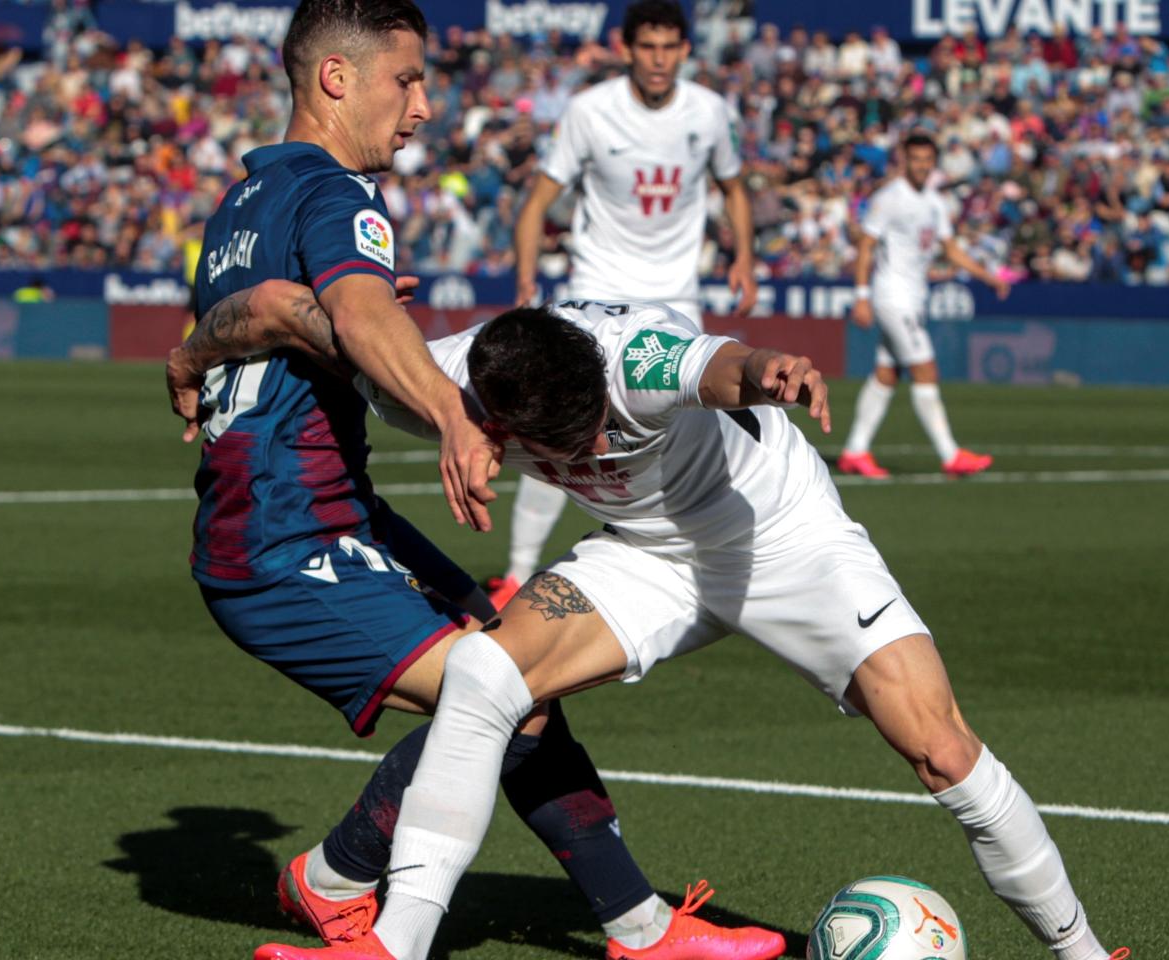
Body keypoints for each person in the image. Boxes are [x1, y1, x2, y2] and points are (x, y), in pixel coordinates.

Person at [164, 2, 778, 957]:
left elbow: (272, 308)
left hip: (324, 517)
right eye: (405, 81)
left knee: (516, 674)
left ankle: (636, 924)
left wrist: (193, 349)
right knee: (502, 694)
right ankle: (338, 878)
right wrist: (454, 414)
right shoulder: (340, 196)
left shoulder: (243, 201)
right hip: (286, 541)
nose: (422, 107)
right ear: (337, 78)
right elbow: (355, 316)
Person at [236, 299, 1123, 960]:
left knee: (941, 748)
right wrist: (212, 348)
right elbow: (329, 330)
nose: (587, 447)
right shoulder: (450, 378)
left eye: (592, 429)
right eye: (564, 445)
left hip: (783, 538)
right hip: (648, 559)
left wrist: (774, 367)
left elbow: (727, 363)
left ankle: (1083, 955)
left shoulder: (637, 361)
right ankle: (396, 947)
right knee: (483, 674)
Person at [497, 0, 757, 605]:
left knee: (694, 430)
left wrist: (744, 256)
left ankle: (688, 559)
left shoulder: (711, 112)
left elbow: (735, 188)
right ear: (626, 48)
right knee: (557, 419)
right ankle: (515, 571)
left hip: (675, 294)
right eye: (648, 47)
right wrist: (526, 275)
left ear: (686, 50)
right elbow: (537, 202)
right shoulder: (590, 112)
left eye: (670, 47)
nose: (659, 59)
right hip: (598, 287)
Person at [836, 132, 1008, 481]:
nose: (922, 165)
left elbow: (952, 250)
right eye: (915, 159)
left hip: (913, 297)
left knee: (887, 373)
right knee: (925, 369)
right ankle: (950, 455)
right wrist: (861, 295)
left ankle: (855, 451)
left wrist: (988, 277)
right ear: (904, 160)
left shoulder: (934, 202)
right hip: (891, 296)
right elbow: (866, 246)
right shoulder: (889, 199)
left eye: (927, 160)